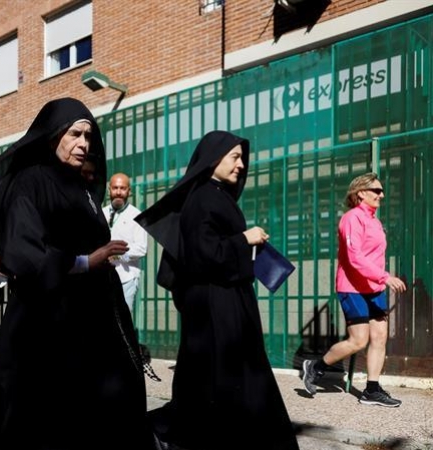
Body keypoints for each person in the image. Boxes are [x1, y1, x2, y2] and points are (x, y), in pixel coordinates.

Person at [0, 98, 156, 450]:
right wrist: (82, 262)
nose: (84, 144)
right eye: (75, 134)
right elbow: (23, 250)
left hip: (93, 314)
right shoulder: (30, 181)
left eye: (89, 136)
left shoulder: (82, 188)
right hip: (47, 319)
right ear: (52, 137)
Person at [136, 130, 299, 449]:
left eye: (242, 158)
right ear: (214, 159)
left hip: (221, 303)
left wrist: (244, 242)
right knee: (223, 380)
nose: (241, 165)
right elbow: (203, 256)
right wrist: (244, 239)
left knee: (219, 381)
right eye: (235, 157)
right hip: (216, 306)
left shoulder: (214, 195)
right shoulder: (204, 198)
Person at [302, 173, 406, 407]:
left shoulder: (375, 222)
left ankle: (371, 390)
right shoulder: (351, 219)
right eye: (376, 191)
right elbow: (355, 257)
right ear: (361, 193)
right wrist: (385, 277)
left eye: (382, 191)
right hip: (352, 287)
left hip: (374, 287)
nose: (382, 195)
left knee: (379, 337)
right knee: (359, 340)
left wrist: (381, 279)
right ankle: (315, 367)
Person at [103, 172, 149, 314]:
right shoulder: (101, 213)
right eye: (115, 188)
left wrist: (116, 256)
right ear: (109, 189)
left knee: (123, 321)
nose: (118, 192)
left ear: (129, 191)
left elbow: (142, 248)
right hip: (102, 277)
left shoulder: (137, 216)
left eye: (123, 188)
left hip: (126, 279)